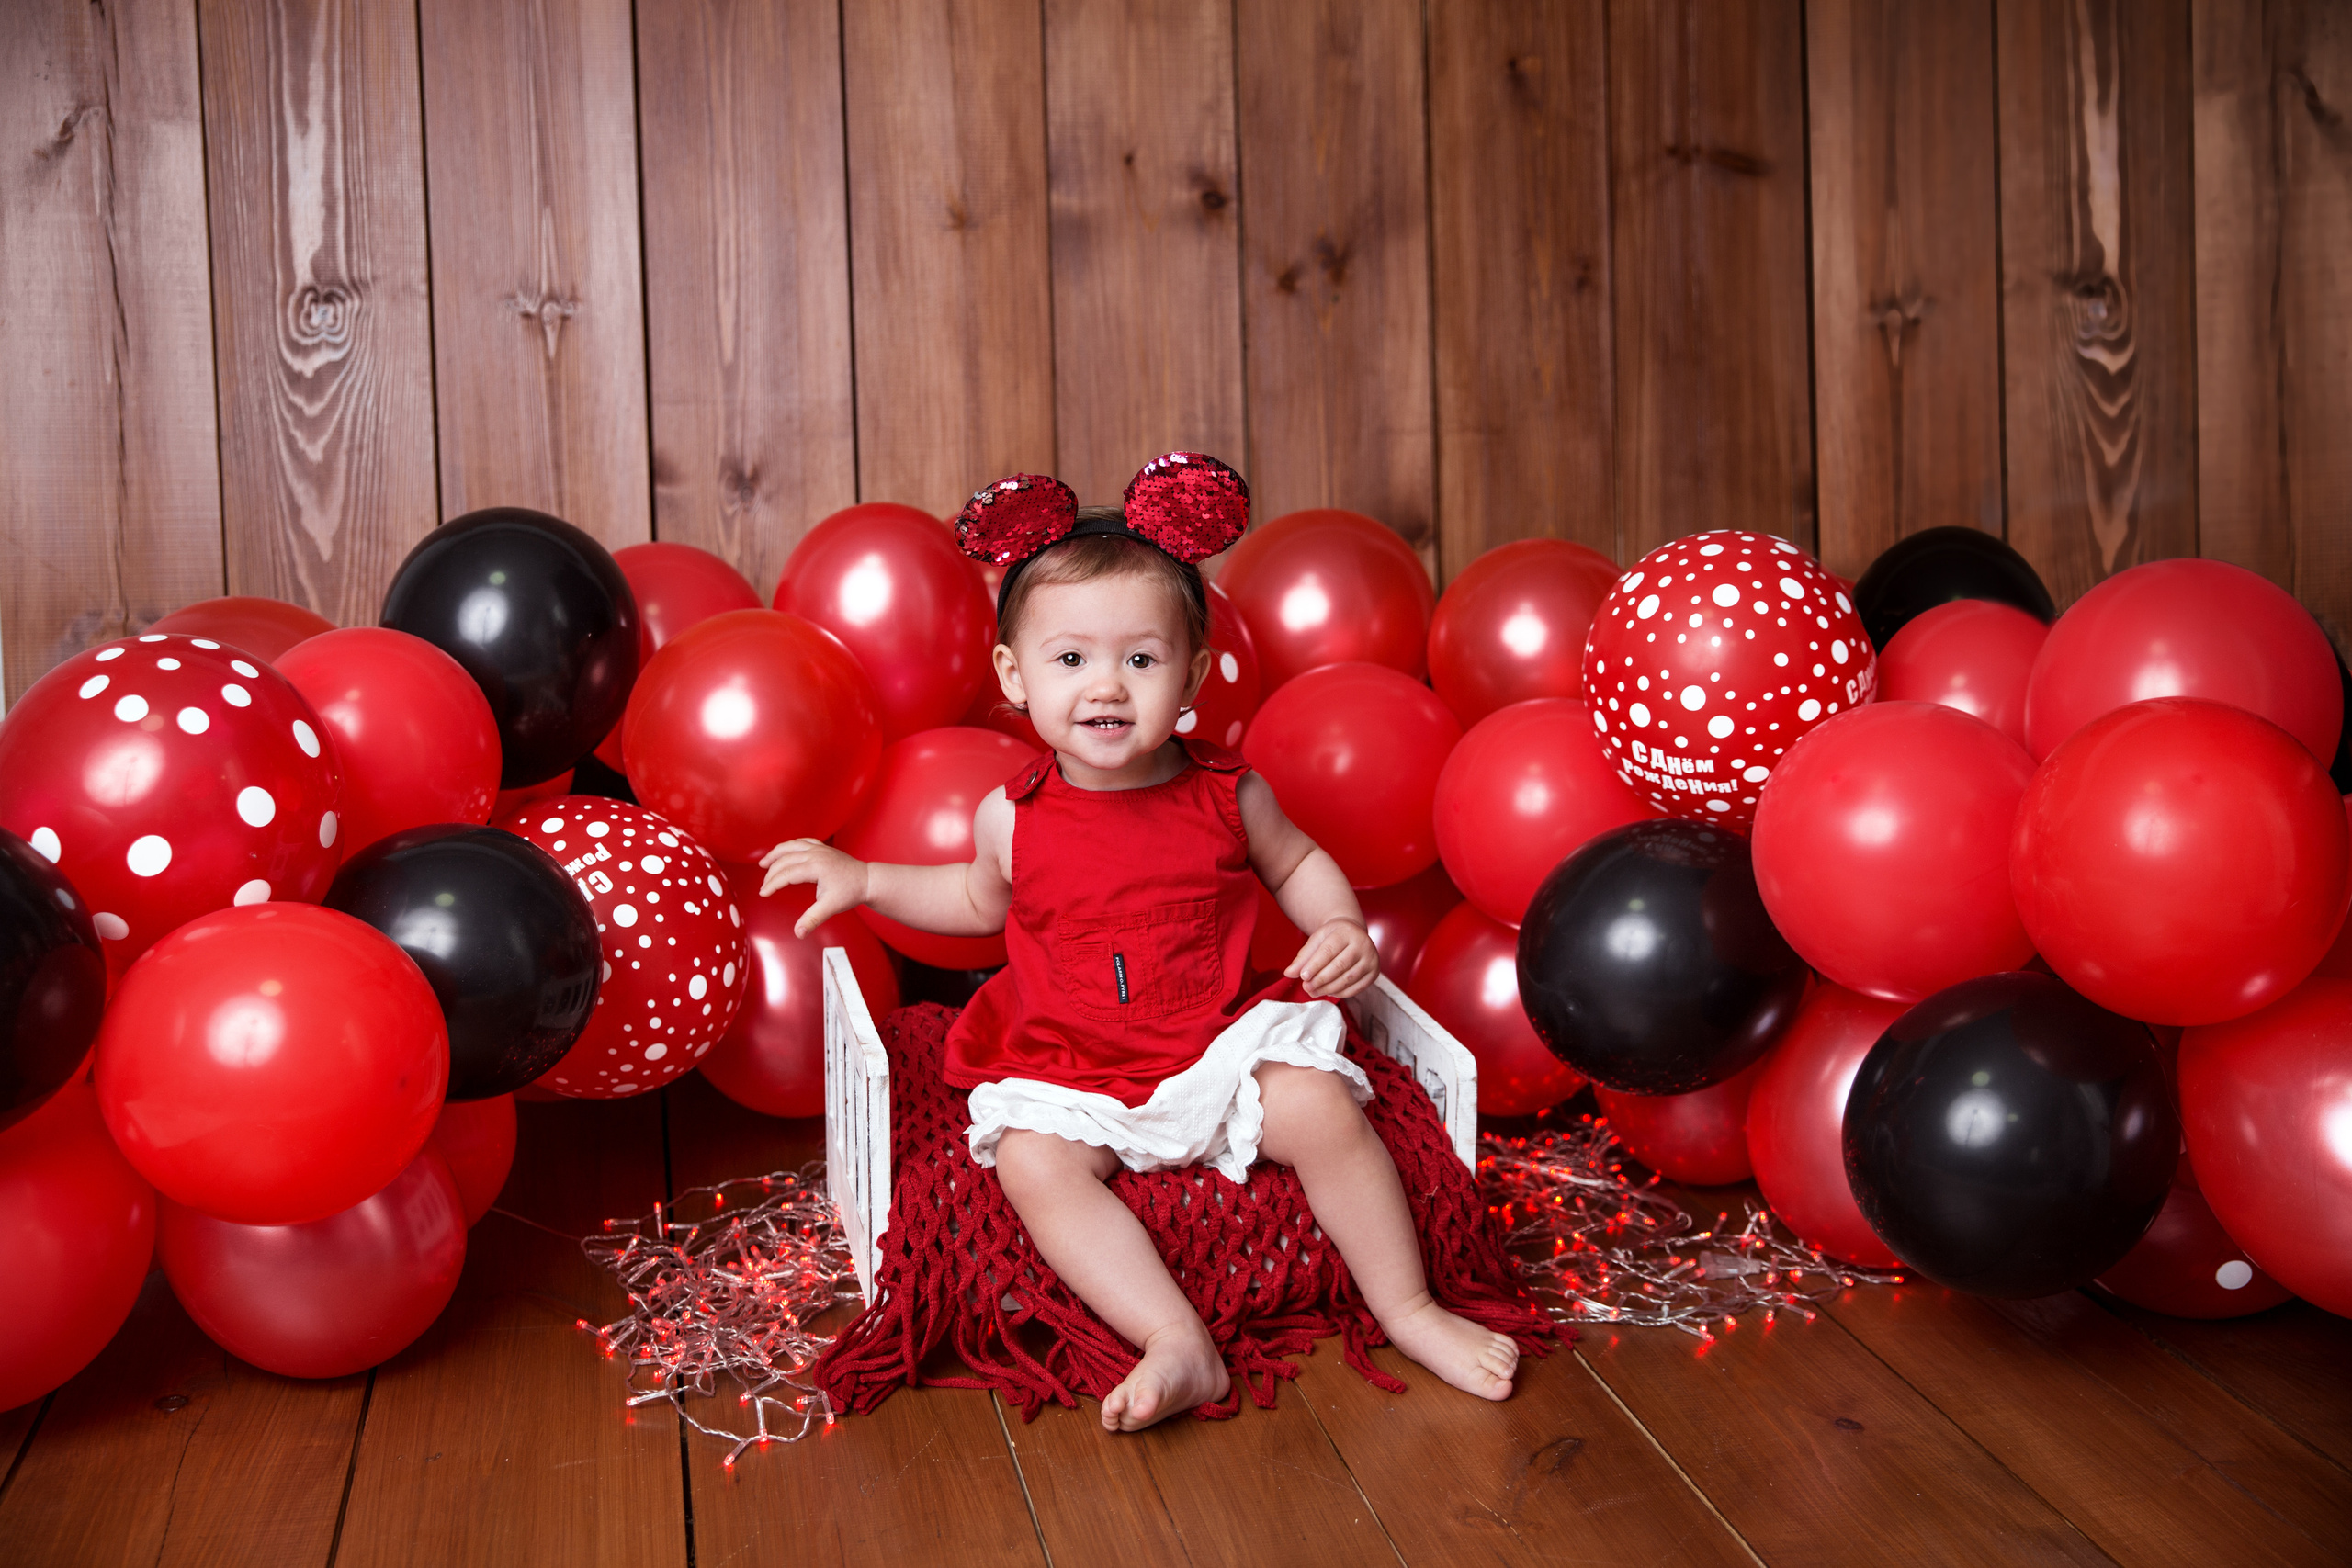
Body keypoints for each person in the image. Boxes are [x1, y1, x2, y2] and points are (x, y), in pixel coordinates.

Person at [761, 453, 1518, 1432]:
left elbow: (1297, 864)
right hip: (1070, 1062)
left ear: (1193, 674)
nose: (1105, 687)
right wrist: (865, 879)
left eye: (1141, 659)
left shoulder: (1226, 794)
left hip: (1210, 1043)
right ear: (1014, 676)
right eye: (1069, 659)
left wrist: (1339, 924)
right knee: (1032, 1162)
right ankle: (1175, 1340)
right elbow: (972, 899)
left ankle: (1408, 1306)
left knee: (1322, 1104)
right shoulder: (1011, 816)